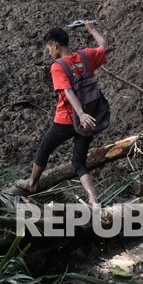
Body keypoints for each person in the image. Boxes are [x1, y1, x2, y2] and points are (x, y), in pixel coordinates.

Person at [16, 22, 109, 208]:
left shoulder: (58, 66)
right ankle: (93, 199)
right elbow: (104, 46)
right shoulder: (85, 56)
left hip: (67, 119)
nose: (49, 51)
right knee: (79, 162)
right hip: (89, 120)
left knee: (45, 148)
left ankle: (32, 183)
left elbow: (67, 91)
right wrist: (91, 30)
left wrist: (80, 114)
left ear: (55, 45)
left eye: (49, 47)